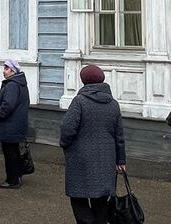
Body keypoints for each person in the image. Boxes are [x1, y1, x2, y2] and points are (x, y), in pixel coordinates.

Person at [60, 64, 126, 224]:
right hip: (106, 159)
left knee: (78, 197)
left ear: (83, 80)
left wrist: (64, 144)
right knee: (101, 200)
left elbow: (67, 129)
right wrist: (121, 160)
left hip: (80, 159)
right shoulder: (113, 104)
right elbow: (119, 135)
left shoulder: (79, 102)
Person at [0, 58, 29, 189]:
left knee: (10, 154)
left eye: (7, 69)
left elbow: (7, 106)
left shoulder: (12, 85)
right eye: (4, 68)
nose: (4, 71)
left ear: (13, 71)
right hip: (15, 125)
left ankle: (12, 180)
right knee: (13, 152)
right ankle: (16, 176)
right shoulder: (19, 83)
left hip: (9, 126)